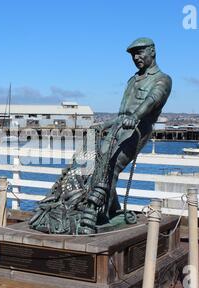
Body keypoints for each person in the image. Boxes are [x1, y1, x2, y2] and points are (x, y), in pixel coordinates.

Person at [29, 37, 172, 235]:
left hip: (137, 130)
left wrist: (135, 117)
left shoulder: (162, 79)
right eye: (133, 55)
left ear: (153, 52)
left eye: (140, 53)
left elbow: (151, 101)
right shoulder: (133, 80)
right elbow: (122, 113)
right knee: (93, 164)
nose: (136, 58)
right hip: (118, 127)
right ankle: (111, 209)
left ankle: (97, 214)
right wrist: (103, 125)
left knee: (111, 168)